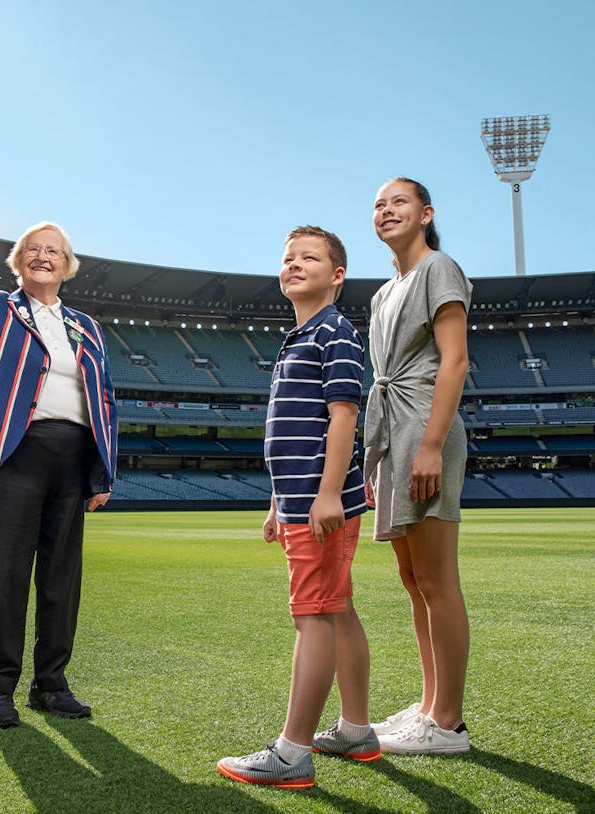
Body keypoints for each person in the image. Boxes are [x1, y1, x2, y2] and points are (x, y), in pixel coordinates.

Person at [0, 186, 118, 729]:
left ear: (67, 267)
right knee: (2, 575)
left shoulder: (86, 326)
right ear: (18, 261)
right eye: (34, 249)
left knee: (62, 579)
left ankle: (52, 683)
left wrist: (101, 468)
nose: (44, 256)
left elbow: (104, 395)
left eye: (54, 252)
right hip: (7, 454)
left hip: (71, 457)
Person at [217, 226, 374, 790]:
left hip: (320, 502)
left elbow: (343, 417)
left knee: (312, 615)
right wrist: (276, 503)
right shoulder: (298, 336)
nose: (294, 264)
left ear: (337, 275)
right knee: (337, 608)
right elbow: (292, 433)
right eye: (287, 258)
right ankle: (356, 729)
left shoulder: (336, 332)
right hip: (300, 498)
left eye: (309, 257)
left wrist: (327, 493)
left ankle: (291, 753)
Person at [363, 177, 473, 754]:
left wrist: (429, 444)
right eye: (378, 205)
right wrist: (375, 458)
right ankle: (429, 705)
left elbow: (454, 361)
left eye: (398, 202)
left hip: (426, 425)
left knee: (437, 580)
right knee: (412, 582)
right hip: (394, 433)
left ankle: (449, 723)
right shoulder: (383, 294)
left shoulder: (440, 269)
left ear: (426, 213)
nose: (386, 211)